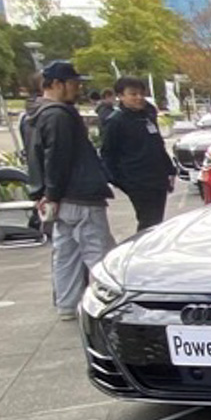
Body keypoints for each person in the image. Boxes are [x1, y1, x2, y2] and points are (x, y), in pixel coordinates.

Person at [27, 61, 113, 319]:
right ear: (56, 84)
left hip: (59, 197)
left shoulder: (37, 113)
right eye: (73, 83)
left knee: (66, 253)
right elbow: (57, 158)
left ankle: (67, 304)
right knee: (98, 252)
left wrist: (46, 195)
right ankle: (110, 306)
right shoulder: (59, 115)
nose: (77, 88)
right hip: (79, 194)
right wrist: (52, 193)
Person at [100, 75, 177, 230]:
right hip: (137, 181)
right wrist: (123, 182)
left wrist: (170, 170)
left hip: (157, 179)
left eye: (141, 93)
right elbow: (108, 155)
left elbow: (157, 145)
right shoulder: (116, 121)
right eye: (133, 94)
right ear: (121, 96)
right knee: (148, 222)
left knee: (156, 220)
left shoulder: (147, 116)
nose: (139, 98)